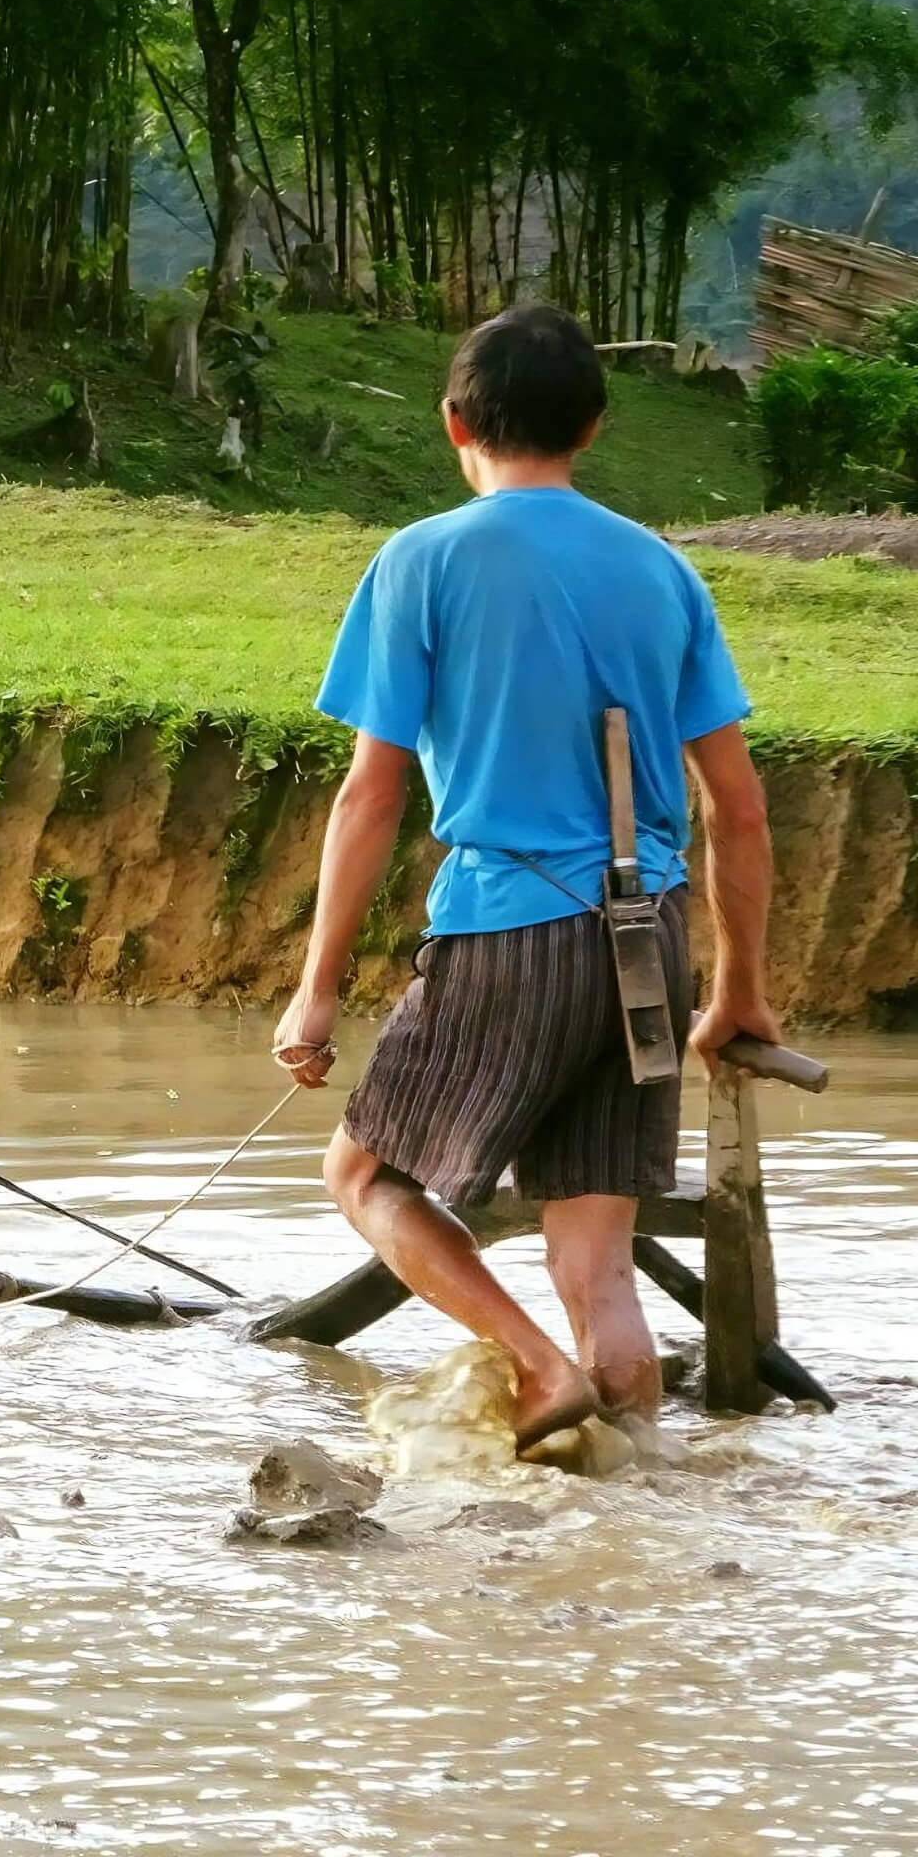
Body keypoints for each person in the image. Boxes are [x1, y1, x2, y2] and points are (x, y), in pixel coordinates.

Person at [271, 304, 778, 1450]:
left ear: (454, 422)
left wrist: (316, 991)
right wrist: (735, 990)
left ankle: (540, 1370)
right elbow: (736, 805)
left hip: (513, 922)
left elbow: (371, 793)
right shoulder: (661, 570)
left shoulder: (421, 559)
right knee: (594, 1259)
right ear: (593, 428)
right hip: (651, 934)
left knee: (363, 1175)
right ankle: (630, 1500)